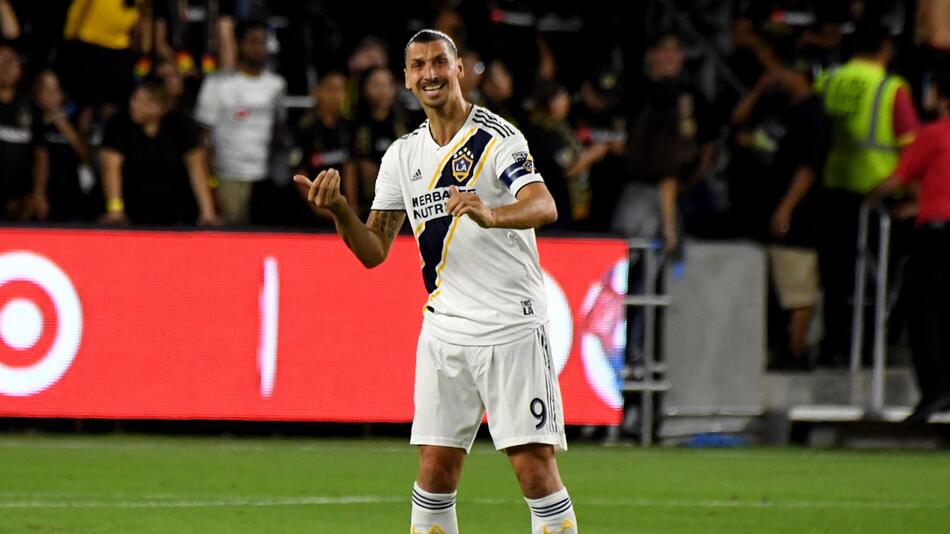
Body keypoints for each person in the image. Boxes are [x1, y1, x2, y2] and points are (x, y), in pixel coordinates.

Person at [293, 30, 577, 534]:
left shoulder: (496, 137)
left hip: (511, 326)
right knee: (434, 472)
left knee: (534, 471)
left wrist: (493, 213)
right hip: (445, 331)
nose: (430, 73)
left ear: (459, 68)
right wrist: (339, 210)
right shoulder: (402, 156)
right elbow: (373, 250)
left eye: (439, 62)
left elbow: (545, 204)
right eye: (418, 65)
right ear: (406, 78)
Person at [815, 26, 920, 366]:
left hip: (833, 189)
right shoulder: (890, 88)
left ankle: (834, 343)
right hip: (879, 197)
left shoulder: (829, 80)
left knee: (835, 276)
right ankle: (869, 347)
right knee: (877, 279)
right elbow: (911, 145)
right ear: (885, 49)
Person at [733, 61, 829, 369]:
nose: (774, 75)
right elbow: (737, 121)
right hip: (763, 209)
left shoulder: (814, 114)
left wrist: (786, 208)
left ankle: (796, 350)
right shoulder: (776, 104)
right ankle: (780, 347)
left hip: (798, 216)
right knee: (774, 288)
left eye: (780, 70)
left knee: (798, 287)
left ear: (798, 72)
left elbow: (809, 167)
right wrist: (760, 89)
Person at [870, 74, 950, 424]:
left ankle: (935, 391)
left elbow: (900, 177)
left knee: (923, 311)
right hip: (936, 220)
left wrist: (870, 196)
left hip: (937, 235)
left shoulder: (934, 134)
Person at [195, 18, 286, 225]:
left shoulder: (276, 85)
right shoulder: (217, 84)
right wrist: (211, 183)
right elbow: (203, 140)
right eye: (253, 42)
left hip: (263, 178)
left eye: (262, 42)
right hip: (229, 176)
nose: (259, 48)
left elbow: (277, 130)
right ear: (239, 44)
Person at [99, 77, 216, 226]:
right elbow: (110, 168)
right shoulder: (118, 124)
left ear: (162, 107)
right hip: (132, 203)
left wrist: (207, 212)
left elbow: (197, 168)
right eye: (134, 99)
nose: (134, 105)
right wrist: (115, 210)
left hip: (176, 204)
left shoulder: (182, 125)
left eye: (144, 102)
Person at [32, 69, 96, 222]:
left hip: (71, 199)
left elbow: (89, 160)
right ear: (36, 92)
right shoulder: (29, 119)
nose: (52, 95)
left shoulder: (72, 122)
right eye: (46, 89)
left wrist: (66, 128)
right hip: (38, 200)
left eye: (56, 89)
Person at [0, 43, 48, 222]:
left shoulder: (30, 108)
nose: (6, 68)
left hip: (19, 200)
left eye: (12, 62)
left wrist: (38, 193)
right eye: (2, 61)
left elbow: (40, 153)